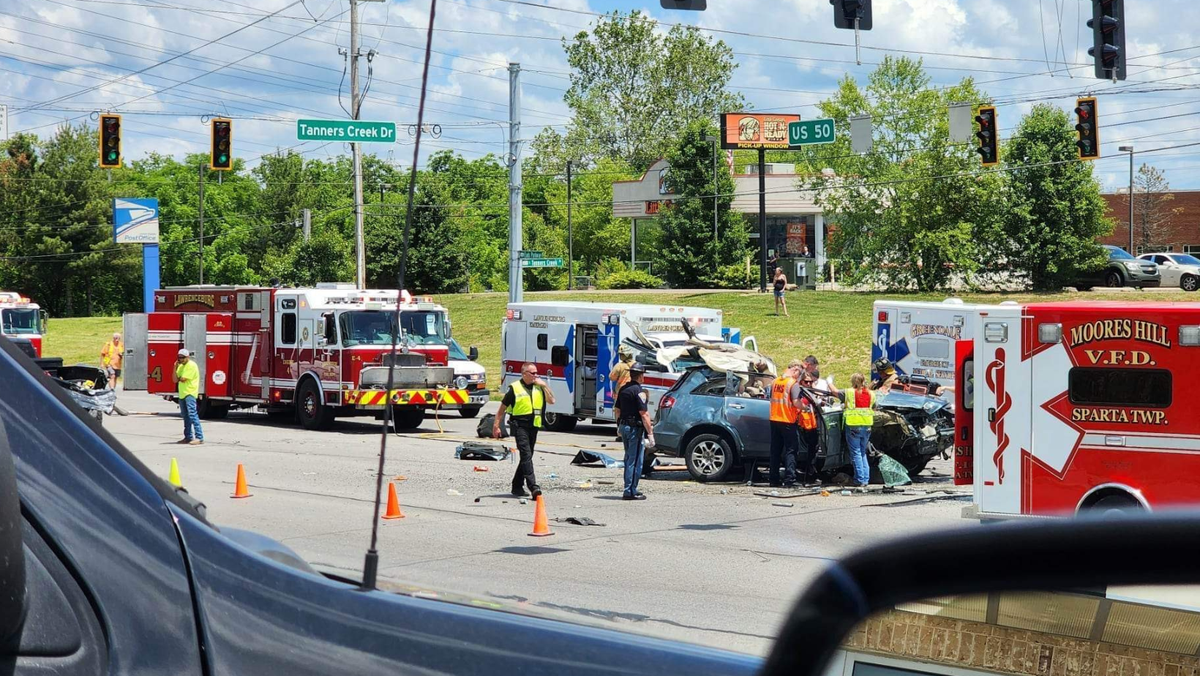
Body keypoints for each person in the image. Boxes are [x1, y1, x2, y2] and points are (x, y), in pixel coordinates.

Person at [493, 363, 556, 498]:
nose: (536, 375)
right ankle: (533, 486)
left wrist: (544, 385)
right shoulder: (515, 388)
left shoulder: (539, 387)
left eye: (536, 373)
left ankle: (516, 485)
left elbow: (552, 401)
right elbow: (502, 408)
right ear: (524, 374)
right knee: (526, 454)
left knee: (528, 456)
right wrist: (496, 426)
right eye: (532, 373)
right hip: (519, 425)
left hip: (534, 426)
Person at [613, 362, 654, 501]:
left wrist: (618, 425)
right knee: (635, 460)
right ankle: (630, 491)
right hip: (634, 429)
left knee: (628, 458)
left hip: (624, 426)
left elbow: (617, 410)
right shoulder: (639, 391)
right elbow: (644, 414)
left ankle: (629, 488)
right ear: (641, 376)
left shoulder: (623, 389)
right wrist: (650, 433)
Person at [768, 359, 804, 488]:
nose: (799, 376)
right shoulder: (792, 383)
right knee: (791, 450)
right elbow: (795, 401)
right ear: (794, 369)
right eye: (799, 373)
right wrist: (804, 407)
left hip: (774, 418)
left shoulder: (775, 381)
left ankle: (773, 479)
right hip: (788, 420)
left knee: (775, 451)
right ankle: (790, 480)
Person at [843, 373, 877, 492]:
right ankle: (865, 479)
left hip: (853, 425)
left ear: (853, 381)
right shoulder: (871, 393)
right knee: (862, 452)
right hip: (867, 426)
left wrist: (829, 382)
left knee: (856, 453)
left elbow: (835, 392)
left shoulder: (850, 392)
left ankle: (860, 479)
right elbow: (875, 407)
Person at [796, 369, 822, 486]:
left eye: (811, 382)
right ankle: (805, 477)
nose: (809, 384)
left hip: (811, 425)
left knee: (812, 452)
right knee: (805, 453)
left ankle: (810, 476)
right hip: (802, 426)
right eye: (806, 382)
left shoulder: (809, 392)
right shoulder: (800, 392)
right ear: (801, 382)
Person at [172, 349, 203, 445]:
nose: (180, 359)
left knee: (192, 415)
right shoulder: (180, 366)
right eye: (179, 357)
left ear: (187, 357)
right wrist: (174, 367)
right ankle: (188, 436)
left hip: (190, 393)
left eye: (182, 357)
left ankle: (199, 437)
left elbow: (183, 379)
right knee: (185, 416)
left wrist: (178, 377)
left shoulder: (191, 365)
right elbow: (174, 380)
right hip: (182, 394)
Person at [609, 345, 635, 441]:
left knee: (618, 412)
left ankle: (620, 434)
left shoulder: (619, 366)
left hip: (621, 393)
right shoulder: (636, 364)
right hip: (634, 392)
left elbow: (612, 377)